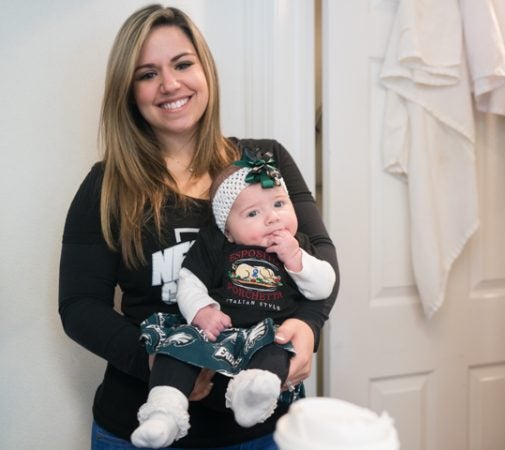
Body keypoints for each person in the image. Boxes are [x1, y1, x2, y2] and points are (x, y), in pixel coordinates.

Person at [58, 4, 338, 449]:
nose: (170, 84)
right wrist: (155, 359)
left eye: (183, 64)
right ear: (128, 91)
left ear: (205, 69)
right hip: (136, 429)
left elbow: (318, 254)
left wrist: (308, 327)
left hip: (260, 431)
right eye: (147, 74)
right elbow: (79, 306)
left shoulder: (265, 162)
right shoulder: (107, 185)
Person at [131, 151, 336, 448]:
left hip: (265, 335)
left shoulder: (298, 246)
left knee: (278, 354)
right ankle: (164, 413)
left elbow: (323, 286)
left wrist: (296, 258)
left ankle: (251, 398)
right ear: (228, 229)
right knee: (174, 349)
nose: (272, 217)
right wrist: (202, 311)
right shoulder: (215, 245)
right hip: (216, 332)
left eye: (279, 204)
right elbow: (189, 282)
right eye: (253, 213)